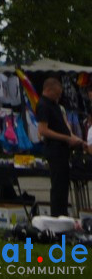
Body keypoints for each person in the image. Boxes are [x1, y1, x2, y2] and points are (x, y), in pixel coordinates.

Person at [36, 76, 83, 216]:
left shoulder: (54, 105)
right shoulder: (43, 105)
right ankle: (57, 216)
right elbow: (43, 130)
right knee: (58, 185)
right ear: (48, 90)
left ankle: (63, 214)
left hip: (63, 149)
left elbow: (63, 126)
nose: (59, 96)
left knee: (63, 185)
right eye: (57, 94)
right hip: (54, 149)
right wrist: (66, 138)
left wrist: (77, 140)